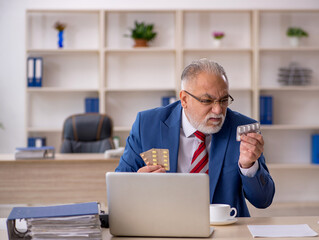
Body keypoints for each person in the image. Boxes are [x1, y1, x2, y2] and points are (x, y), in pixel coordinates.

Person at [115, 58, 275, 217]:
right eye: (207, 100)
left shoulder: (242, 130)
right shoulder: (147, 124)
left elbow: (263, 200)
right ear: (184, 99)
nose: (218, 110)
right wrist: (139, 184)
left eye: (224, 100)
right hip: (164, 224)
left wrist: (249, 166)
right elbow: (119, 191)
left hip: (225, 230)